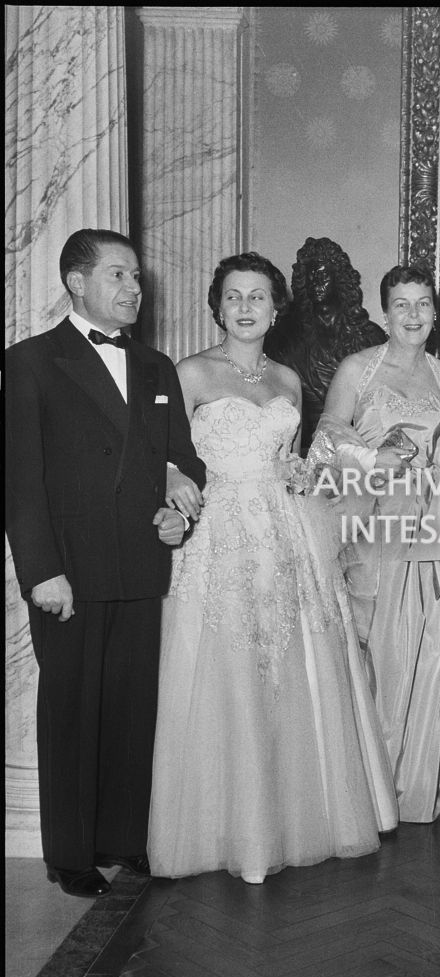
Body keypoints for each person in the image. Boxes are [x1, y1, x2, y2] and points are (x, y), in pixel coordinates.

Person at [148, 252, 398, 883]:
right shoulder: (191, 372)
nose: (246, 307)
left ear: (275, 306)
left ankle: (290, 818)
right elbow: (164, 452)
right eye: (234, 296)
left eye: (258, 296)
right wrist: (175, 476)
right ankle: (226, 828)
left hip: (284, 535)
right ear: (217, 305)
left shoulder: (288, 381)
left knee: (289, 667)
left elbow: (293, 458)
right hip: (219, 532)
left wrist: (298, 470)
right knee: (226, 667)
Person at [5, 228, 205, 898]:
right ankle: (70, 852)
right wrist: (40, 572)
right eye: (118, 275)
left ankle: (123, 838)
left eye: (137, 277)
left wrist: (182, 497)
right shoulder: (30, 362)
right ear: (76, 282)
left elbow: (183, 457)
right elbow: (21, 480)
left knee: (130, 708)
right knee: (73, 711)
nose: (134, 289)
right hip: (70, 572)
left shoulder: (156, 366)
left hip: (141, 563)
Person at [308, 264, 440, 823]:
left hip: (431, 521)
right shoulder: (358, 368)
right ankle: (370, 784)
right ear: (385, 313)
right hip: (373, 516)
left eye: (423, 304)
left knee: (427, 644)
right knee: (375, 643)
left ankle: (415, 778)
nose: (412, 315)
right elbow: (327, 432)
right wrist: (371, 458)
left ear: (436, 311)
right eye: (401, 304)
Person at [264, 236, 386, 452]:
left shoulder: (370, 338)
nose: (315, 283)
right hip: (301, 450)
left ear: (338, 278)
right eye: (310, 276)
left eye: (322, 275)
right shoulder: (283, 338)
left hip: (357, 454)